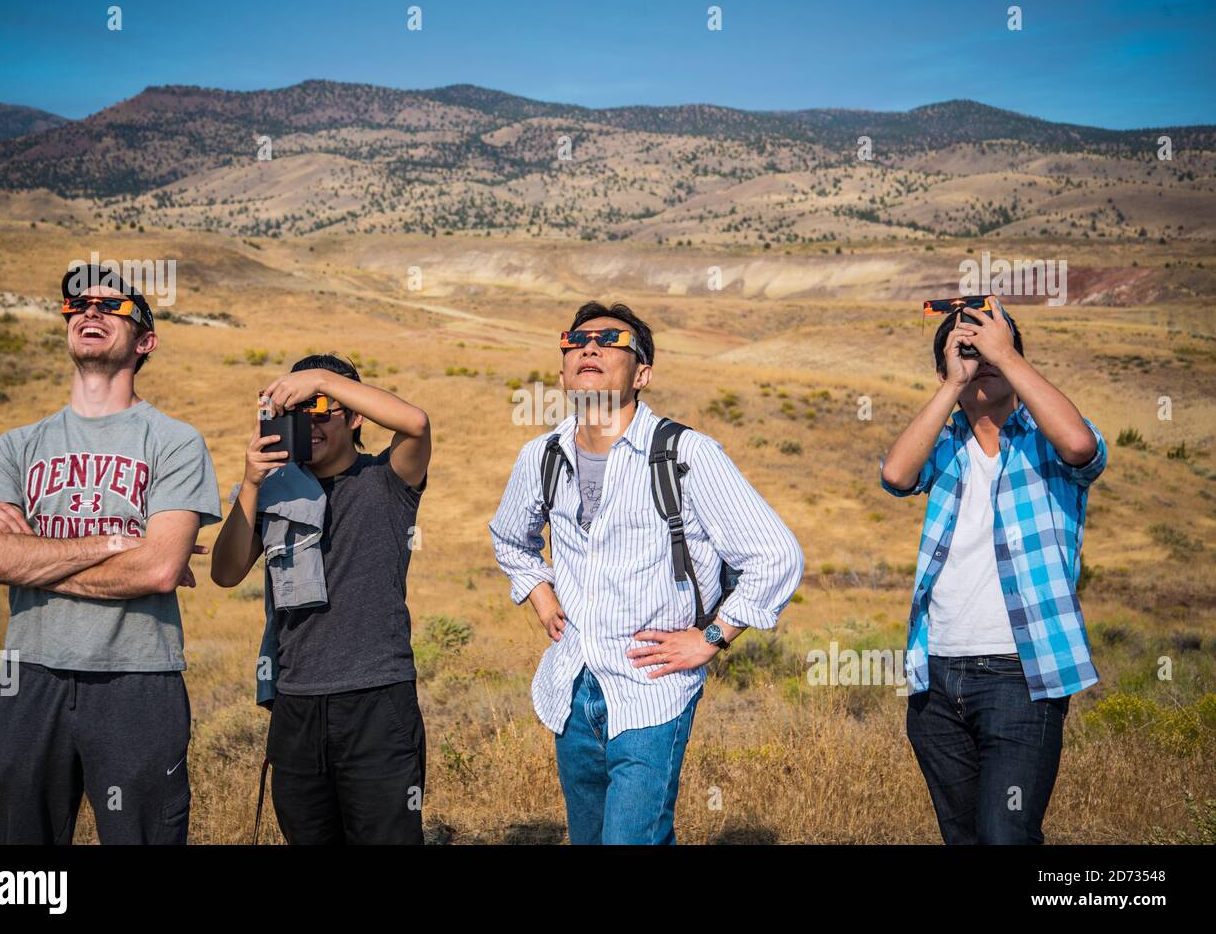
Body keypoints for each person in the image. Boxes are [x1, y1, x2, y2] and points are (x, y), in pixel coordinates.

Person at [489, 301, 804, 844]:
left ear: (642, 373)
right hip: (571, 686)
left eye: (611, 340)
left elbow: (777, 556)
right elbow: (509, 538)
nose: (589, 347)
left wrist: (710, 638)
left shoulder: (687, 455)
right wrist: (540, 594)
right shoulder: (540, 457)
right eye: (576, 340)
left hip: (652, 689)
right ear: (564, 368)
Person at [0, 263, 221, 844]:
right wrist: (115, 543)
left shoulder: (175, 442)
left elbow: (159, 570)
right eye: (77, 305)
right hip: (28, 678)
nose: (89, 312)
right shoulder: (15, 447)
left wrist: (33, 557)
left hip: (139, 679)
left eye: (111, 308)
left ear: (145, 341)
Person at [880, 296, 1107, 844]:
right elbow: (895, 475)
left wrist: (1004, 356)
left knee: (1005, 835)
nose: (980, 358)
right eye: (966, 349)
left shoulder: (1047, 438)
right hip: (937, 676)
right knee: (966, 839)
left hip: (1022, 675)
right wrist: (952, 385)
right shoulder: (946, 443)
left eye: (991, 347)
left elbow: (1082, 446)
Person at [210, 354, 431, 844]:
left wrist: (319, 379)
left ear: (354, 416)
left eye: (323, 407)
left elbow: (415, 423)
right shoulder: (274, 492)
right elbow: (224, 573)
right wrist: (250, 483)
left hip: (377, 700)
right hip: (296, 703)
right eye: (297, 411)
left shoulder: (388, 479)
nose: (309, 421)